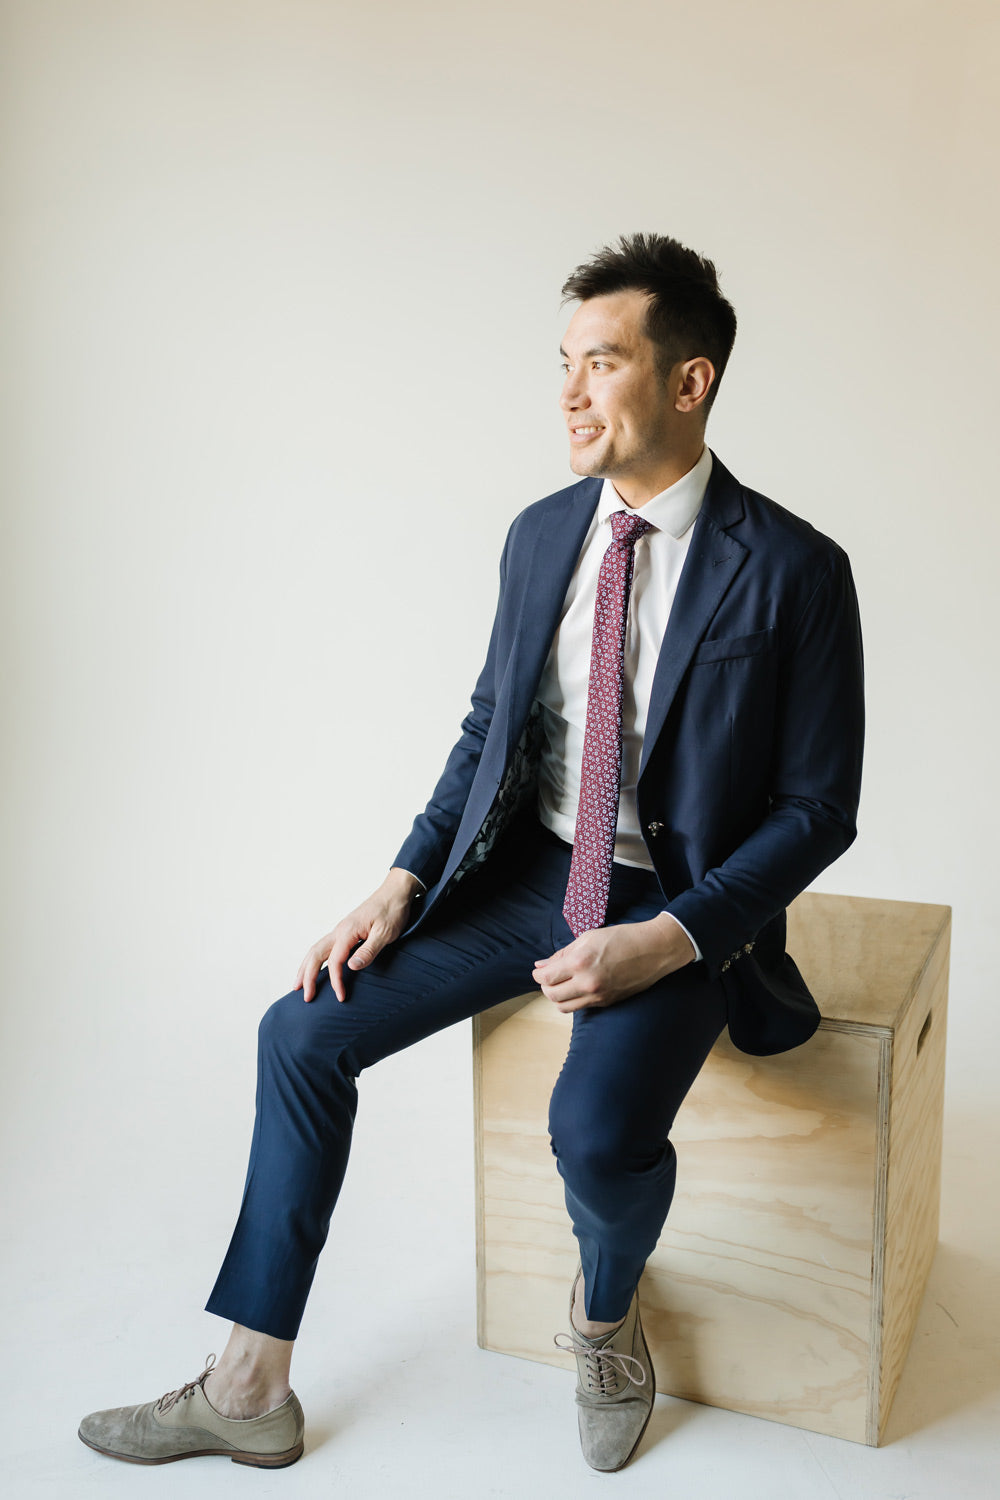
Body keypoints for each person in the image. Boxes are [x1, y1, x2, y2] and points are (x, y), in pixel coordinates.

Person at [78, 232, 864, 1474]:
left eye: (600, 362)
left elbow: (817, 808)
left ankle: (604, 1318)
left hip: (678, 904)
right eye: (563, 363)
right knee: (301, 1031)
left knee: (592, 1134)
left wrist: (669, 940)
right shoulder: (540, 535)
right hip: (529, 876)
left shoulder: (797, 569)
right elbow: (492, 729)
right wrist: (400, 879)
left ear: (688, 381)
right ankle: (247, 1385)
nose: (568, 393)